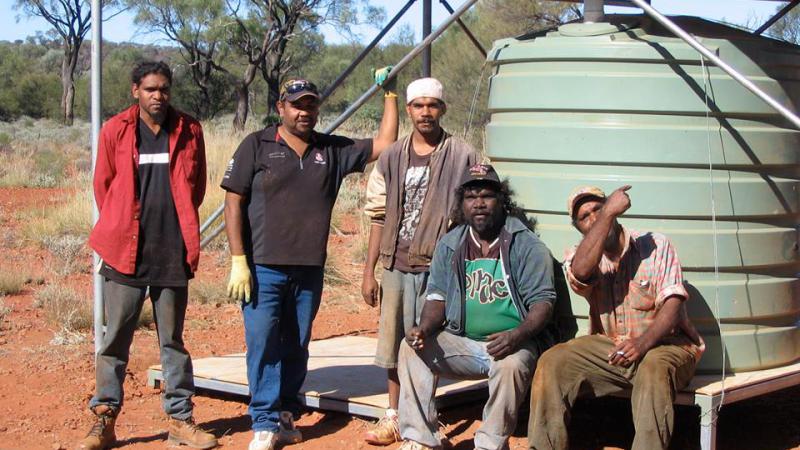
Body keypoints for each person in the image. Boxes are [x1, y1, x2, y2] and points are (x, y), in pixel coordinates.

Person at [221, 71, 399, 450]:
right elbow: (233, 201)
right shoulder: (256, 145)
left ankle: (285, 411)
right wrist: (239, 258)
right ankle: (264, 420)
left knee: (297, 343)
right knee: (263, 341)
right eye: (297, 105)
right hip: (263, 266)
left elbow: (385, 143)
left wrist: (390, 95)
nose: (304, 112)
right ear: (280, 107)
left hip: (309, 268)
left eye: (310, 105)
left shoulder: (330, 150)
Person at [80, 60, 215, 450]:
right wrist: (124, 224)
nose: (159, 96)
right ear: (135, 90)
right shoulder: (115, 131)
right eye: (151, 89)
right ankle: (104, 421)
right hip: (125, 253)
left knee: (172, 341)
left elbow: (197, 187)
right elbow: (103, 186)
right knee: (115, 340)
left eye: (165, 89)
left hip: (172, 252)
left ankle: (180, 421)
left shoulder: (189, 130)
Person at [527, 185, 705, 450]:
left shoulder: (655, 244)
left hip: (667, 345)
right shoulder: (580, 256)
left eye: (598, 208)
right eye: (585, 217)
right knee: (552, 362)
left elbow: (673, 306)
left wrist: (642, 344)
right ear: (579, 229)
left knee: (653, 368)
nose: (595, 217)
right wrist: (607, 213)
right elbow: (581, 271)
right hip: (612, 346)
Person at [397, 164, 557, 450]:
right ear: (462, 204)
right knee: (410, 349)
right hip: (465, 342)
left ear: (502, 200)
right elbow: (437, 298)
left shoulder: (526, 244)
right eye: (471, 197)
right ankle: (420, 438)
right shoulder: (451, 244)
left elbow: (543, 304)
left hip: (512, 344)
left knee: (512, 365)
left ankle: (490, 443)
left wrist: (516, 336)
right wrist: (423, 328)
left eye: (487, 196)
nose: (479, 203)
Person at [360, 77, 481, 446]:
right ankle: (394, 416)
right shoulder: (392, 156)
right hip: (396, 263)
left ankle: (426, 419)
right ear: (409, 110)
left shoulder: (463, 155)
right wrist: (370, 272)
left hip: (440, 266)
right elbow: (378, 215)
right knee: (395, 342)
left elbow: (480, 205)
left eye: (432, 105)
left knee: (430, 340)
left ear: (442, 109)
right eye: (418, 106)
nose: (425, 112)